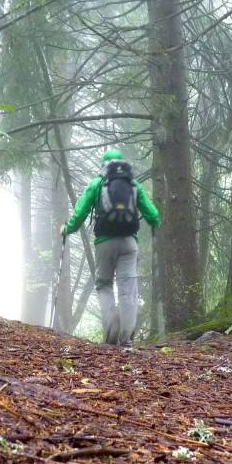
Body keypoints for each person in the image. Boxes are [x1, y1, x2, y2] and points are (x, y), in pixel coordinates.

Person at [61, 149, 160, 348]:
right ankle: (126, 339)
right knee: (127, 289)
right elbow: (153, 214)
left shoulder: (97, 183)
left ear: (103, 165)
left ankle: (112, 322)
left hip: (105, 242)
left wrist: (67, 229)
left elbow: (80, 213)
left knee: (104, 284)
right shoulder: (133, 184)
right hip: (129, 243)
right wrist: (153, 223)